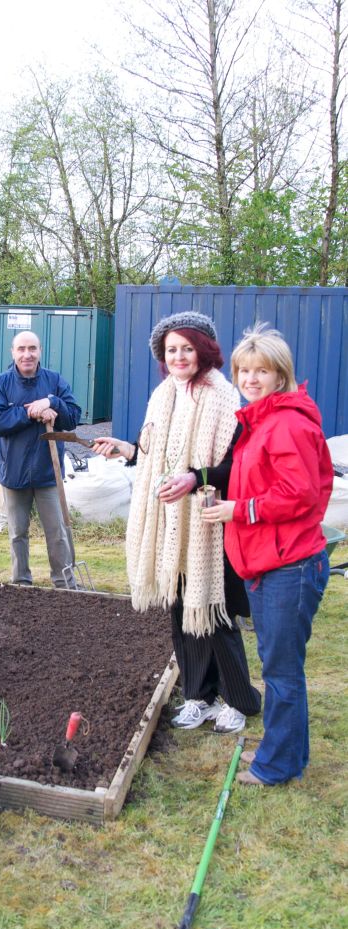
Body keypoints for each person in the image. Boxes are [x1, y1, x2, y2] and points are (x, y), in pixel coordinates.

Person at [92, 311, 261, 733]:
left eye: (187, 348)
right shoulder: (163, 394)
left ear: (204, 350)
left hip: (208, 521)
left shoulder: (222, 396)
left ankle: (238, 700)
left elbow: (232, 467)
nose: (179, 356)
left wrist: (193, 479)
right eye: (171, 350)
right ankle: (197, 696)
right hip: (170, 522)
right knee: (180, 610)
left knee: (215, 613)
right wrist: (128, 451)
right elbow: (155, 454)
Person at [202, 324, 333, 785]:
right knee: (279, 667)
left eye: (263, 370)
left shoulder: (287, 423)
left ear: (281, 375)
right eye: (244, 370)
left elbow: (299, 494)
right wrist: (227, 501)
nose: (251, 378)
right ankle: (286, 752)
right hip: (267, 563)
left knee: (281, 673)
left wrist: (242, 509)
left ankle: (276, 766)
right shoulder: (259, 419)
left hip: (289, 566)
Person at [0, 330, 82, 587]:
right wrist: (31, 413)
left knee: (56, 531)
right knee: (18, 533)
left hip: (48, 471)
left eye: (32, 349)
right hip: (13, 471)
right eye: (21, 349)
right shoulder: (0, 384)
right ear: (13, 353)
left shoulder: (54, 381)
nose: (27, 354)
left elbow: (72, 417)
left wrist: (52, 403)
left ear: (39, 351)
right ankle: (21, 582)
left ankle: (64, 582)